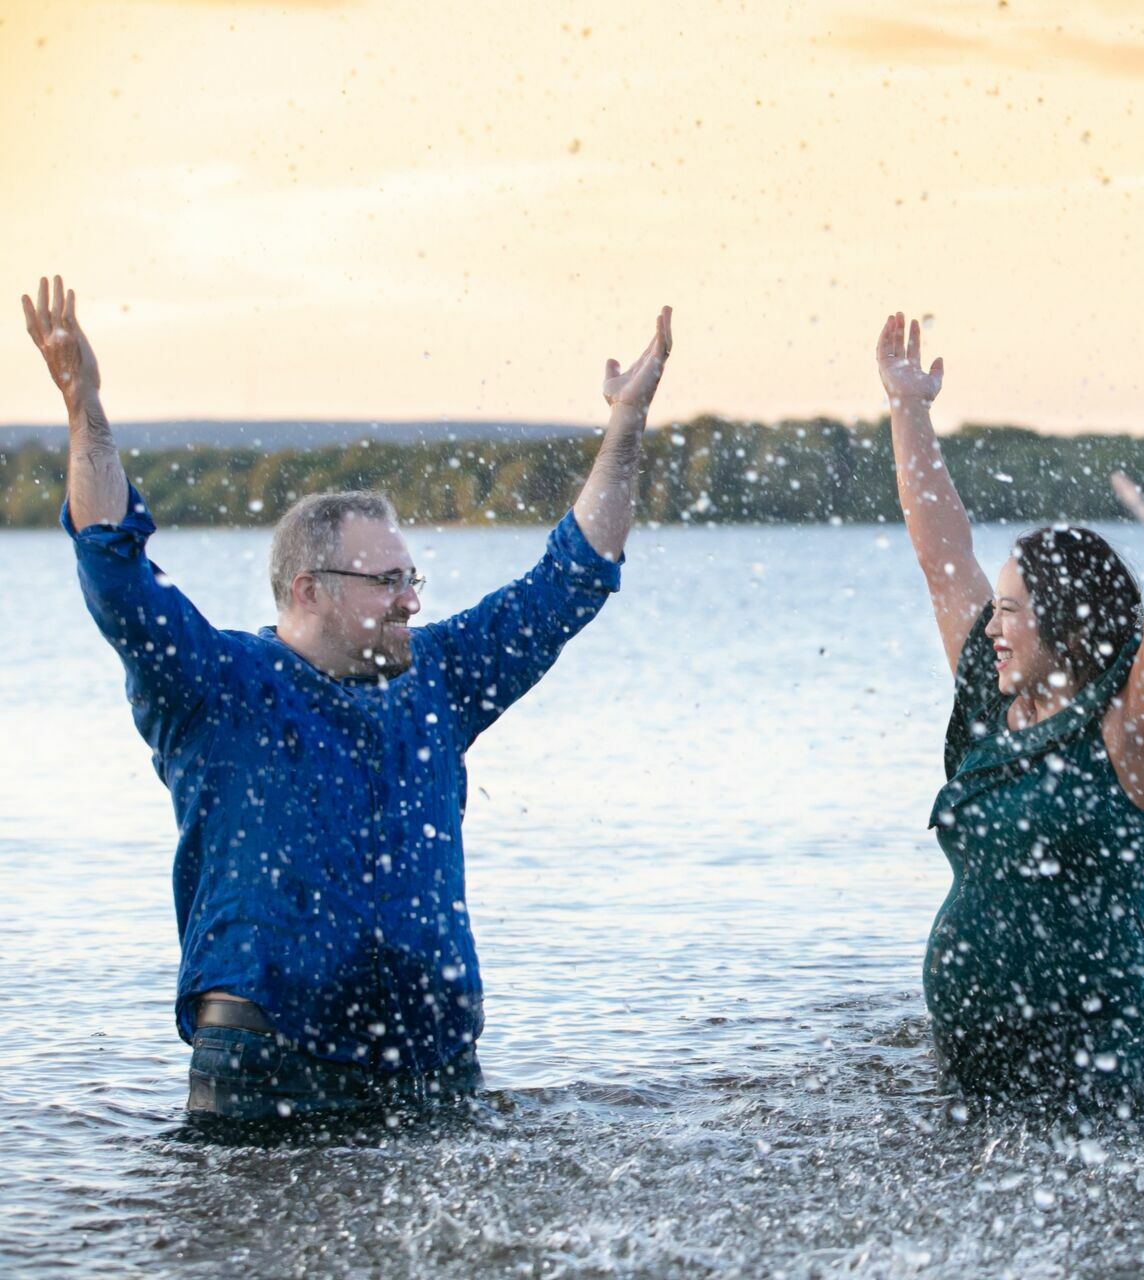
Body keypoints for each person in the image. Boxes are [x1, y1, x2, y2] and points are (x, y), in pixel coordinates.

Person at [20, 274, 673, 1123]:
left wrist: (625, 423)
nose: (411, 599)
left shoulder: (436, 677)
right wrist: (84, 409)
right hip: (269, 1066)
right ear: (309, 589)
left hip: (432, 1064)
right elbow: (113, 567)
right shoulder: (217, 686)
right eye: (387, 581)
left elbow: (571, 580)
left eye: (412, 578)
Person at [874, 298, 1144, 1110]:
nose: (994, 622)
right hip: (976, 1054)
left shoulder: (1136, 734)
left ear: (1066, 623)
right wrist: (907, 408)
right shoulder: (993, 697)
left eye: (1014, 608)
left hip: (1100, 1055)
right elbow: (941, 553)